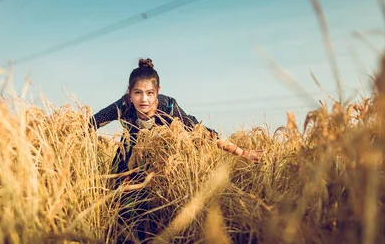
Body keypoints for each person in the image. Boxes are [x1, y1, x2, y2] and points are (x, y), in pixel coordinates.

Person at [89, 58, 263, 243]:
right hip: (128, 160)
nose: (144, 99)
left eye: (149, 93)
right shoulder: (124, 105)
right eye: (137, 93)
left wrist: (242, 153)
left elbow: (202, 132)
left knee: (152, 212)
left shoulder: (168, 107)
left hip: (160, 163)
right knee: (123, 212)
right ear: (130, 93)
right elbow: (93, 122)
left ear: (158, 92)